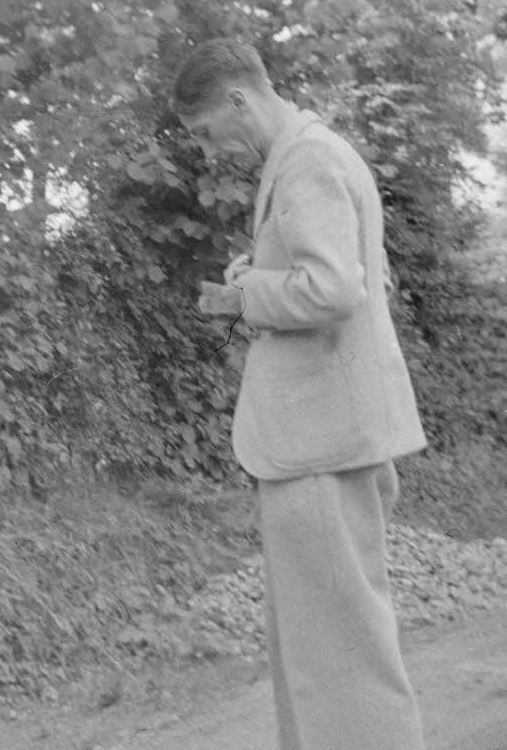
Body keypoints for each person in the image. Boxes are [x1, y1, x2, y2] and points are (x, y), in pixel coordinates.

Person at [174, 38, 428, 749]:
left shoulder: (306, 160)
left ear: (237, 100)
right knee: (323, 650)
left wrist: (245, 295)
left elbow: (334, 289)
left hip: (320, 443)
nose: (210, 150)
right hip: (329, 436)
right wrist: (259, 270)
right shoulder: (316, 151)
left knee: (340, 657)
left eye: (205, 132)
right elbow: (333, 272)